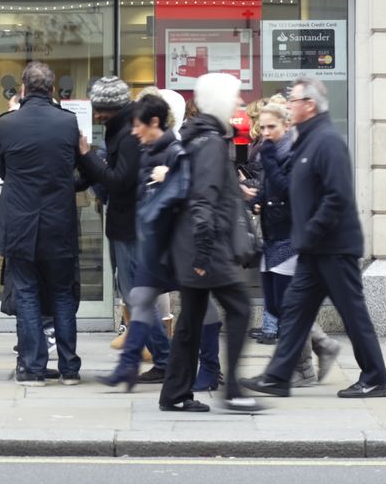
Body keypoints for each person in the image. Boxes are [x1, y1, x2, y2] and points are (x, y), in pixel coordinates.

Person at [242, 77, 386, 399]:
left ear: (308, 105)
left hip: (334, 248)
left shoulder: (327, 141)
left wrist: (308, 231)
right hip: (313, 248)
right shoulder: (306, 140)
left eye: (293, 100)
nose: (289, 105)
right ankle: (279, 376)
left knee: (353, 315)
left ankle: (376, 378)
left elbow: (337, 197)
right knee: (294, 311)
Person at [158, 72, 260, 414]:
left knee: (190, 322)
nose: (240, 103)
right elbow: (203, 201)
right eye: (234, 97)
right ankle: (231, 390)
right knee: (240, 310)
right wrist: (202, 255)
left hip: (193, 246)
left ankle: (174, 394)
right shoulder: (212, 143)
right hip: (206, 248)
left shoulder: (197, 137)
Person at [0, 61, 82, 386]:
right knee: (62, 294)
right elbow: (75, 166)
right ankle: (70, 370)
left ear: (23, 89)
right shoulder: (68, 122)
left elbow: (2, 170)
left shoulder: (6, 124)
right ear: (53, 90)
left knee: (27, 293)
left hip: (20, 221)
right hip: (59, 221)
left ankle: (32, 368)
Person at [79, 77, 171, 380]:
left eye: (99, 110)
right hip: (125, 223)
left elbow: (119, 180)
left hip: (131, 226)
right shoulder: (118, 127)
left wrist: (86, 154)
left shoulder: (128, 133)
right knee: (134, 295)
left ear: (111, 108)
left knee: (136, 296)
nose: (95, 115)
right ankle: (149, 360)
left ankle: (164, 360)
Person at [98, 93, 178, 389]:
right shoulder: (148, 147)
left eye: (138, 125)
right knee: (139, 299)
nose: (134, 131)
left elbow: (128, 185)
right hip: (141, 231)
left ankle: (167, 362)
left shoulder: (170, 150)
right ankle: (142, 364)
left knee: (140, 298)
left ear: (153, 122)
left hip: (144, 235)